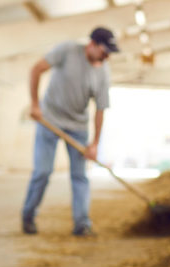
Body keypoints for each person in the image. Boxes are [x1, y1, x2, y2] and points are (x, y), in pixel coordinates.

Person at [21, 26, 118, 236]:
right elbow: (36, 69)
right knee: (43, 172)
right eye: (104, 51)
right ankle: (28, 216)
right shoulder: (67, 51)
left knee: (79, 176)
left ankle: (82, 224)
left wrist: (94, 144)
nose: (106, 57)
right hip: (50, 119)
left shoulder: (103, 72)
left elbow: (100, 109)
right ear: (92, 44)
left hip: (78, 127)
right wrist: (35, 105)